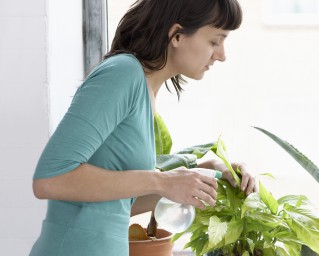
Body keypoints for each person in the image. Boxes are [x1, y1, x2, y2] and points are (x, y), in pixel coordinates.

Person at [29, 0, 256, 255]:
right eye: (215, 41)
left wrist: (207, 172)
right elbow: (50, 180)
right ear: (177, 35)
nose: (222, 55)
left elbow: (120, 203)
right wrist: (161, 180)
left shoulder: (145, 90)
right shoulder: (123, 74)